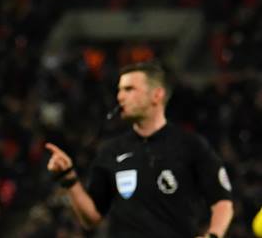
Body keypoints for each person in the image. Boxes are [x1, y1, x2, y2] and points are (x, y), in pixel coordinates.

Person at [46, 60, 234, 238]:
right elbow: (92, 218)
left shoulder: (190, 145)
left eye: (129, 89)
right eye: (119, 90)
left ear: (156, 95)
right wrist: (69, 178)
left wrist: (213, 235)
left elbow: (222, 201)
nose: (120, 97)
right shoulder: (111, 151)